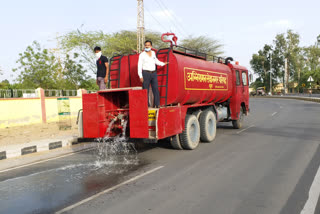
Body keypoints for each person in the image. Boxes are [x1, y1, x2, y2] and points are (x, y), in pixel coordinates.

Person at [138, 40, 168, 108]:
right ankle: (147, 105)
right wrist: (140, 76)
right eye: (146, 45)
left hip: (153, 73)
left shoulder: (153, 53)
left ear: (151, 46)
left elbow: (156, 61)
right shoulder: (142, 55)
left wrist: (163, 63)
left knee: (155, 89)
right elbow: (139, 65)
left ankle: (157, 104)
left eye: (148, 45)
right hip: (146, 73)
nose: (147, 46)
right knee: (146, 90)